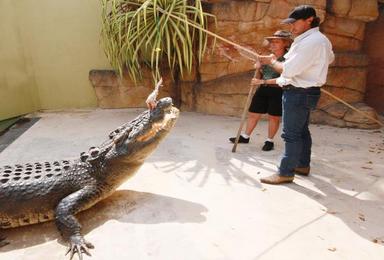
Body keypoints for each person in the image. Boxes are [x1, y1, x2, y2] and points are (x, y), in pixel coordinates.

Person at [252, 5, 334, 184]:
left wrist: (272, 61)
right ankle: (302, 165)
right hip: (305, 91)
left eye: (294, 23)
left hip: (298, 92)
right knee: (301, 131)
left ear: (309, 20)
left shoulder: (312, 41)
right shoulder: (319, 40)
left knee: (291, 134)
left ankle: (285, 172)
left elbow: (288, 70)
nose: (291, 27)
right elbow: (330, 58)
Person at [229, 30, 292, 151]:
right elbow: (260, 73)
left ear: (285, 43)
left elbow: (285, 77)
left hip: (279, 90)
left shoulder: (289, 58)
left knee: (274, 117)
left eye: (276, 42)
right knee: (253, 113)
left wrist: (261, 81)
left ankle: (270, 141)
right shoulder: (266, 56)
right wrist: (258, 67)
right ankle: (245, 136)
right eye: (272, 42)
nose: (272, 44)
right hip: (263, 88)